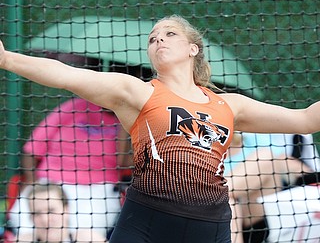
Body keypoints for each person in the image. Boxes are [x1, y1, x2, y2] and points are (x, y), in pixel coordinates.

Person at [1, 14, 320, 243]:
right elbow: (64, 74)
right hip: (147, 218)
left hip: (210, 223)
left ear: (193, 48)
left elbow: (305, 119)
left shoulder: (230, 105)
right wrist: (7, 60)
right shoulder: (138, 92)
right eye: (153, 38)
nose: (158, 40)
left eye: (169, 34)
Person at [7, 98, 132, 240]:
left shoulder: (131, 117)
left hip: (100, 189)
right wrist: (31, 181)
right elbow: (31, 149)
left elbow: (125, 162)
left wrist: (127, 119)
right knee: (25, 231)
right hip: (50, 182)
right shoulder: (74, 106)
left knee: (88, 236)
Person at [225, 132, 320, 243]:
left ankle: (218, 192)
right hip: (223, 216)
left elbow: (289, 164)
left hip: (257, 218)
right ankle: (218, 193)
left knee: (265, 157)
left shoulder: (252, 139)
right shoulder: (203, 150)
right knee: (227, 203)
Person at [16, 182, 107, 242]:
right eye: (37, 213)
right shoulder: (21, 241)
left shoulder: (90, 239)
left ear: (66, 210)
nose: (45, 219)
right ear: (31, 217)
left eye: (51, 211)